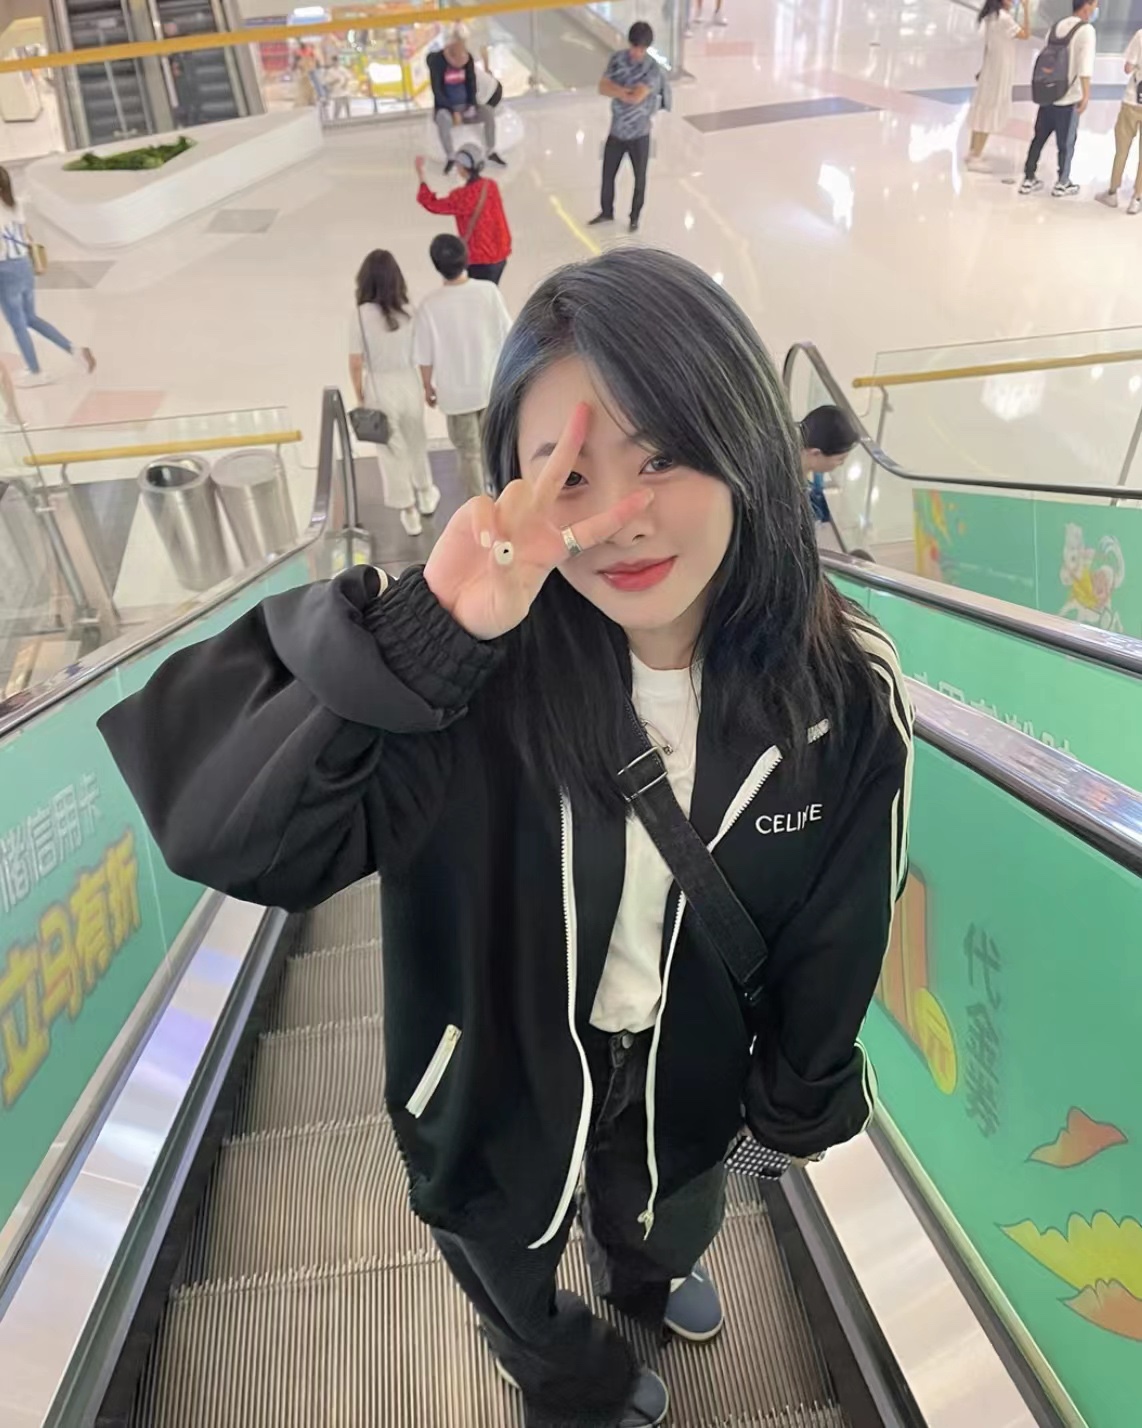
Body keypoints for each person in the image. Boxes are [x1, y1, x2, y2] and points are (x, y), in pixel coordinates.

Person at [99, 247, 912, 1428]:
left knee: (667, 1212)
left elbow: (840, 927)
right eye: (567, 473)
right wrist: (431, 636)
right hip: (489, 1078)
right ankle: (565, 1373)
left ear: (743, 443)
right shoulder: (466, 680)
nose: (624, 516)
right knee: (507, 1259)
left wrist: (790, 1106)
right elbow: (228, 831)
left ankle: (645, 1276)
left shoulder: (838, 688)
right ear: (509, 486)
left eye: (663, 456)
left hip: (688, 1065)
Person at [412, 233, 511, 498]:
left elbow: (424, 355)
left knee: (469, 453)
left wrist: (427, 386)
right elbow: (508, 335)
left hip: (455, 396)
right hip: (490, 386)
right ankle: (503, 497)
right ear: (466, 258)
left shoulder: (429, 306)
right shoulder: (488, 292)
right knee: (494, 445)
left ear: (436, 266)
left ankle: (478, 507)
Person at [349, 249, 440, 538]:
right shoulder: (410, 312)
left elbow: (356, 362)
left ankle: (409, 510)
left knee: (391, 450)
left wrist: (360, 395)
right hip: (408, 381)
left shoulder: (360, 316)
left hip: (379, 386)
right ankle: (426, 492)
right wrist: (426, 385)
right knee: (416, 441)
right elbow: (423, 353)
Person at [0, 167, 94, 387]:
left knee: (18, 324)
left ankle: (36, 372)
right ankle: (74, 350)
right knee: (30, 317)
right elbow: (26, 235)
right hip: (24, 265)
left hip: (5, 270)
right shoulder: (14, 204)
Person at [589, 22, 670, 234]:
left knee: (639, 178)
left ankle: (634, 217)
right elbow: (602, 87)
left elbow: (637, 97)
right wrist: (625, 92)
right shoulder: (617, 59)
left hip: (640, 134)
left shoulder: (652, 68)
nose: (637, 53)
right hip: (616, 131)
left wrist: (617, 90)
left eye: (641, 49)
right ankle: (606, 211)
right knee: (608, 175)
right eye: (635, 47)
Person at [1019, 0, 1097, 199]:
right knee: (1066, 143)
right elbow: (1085, 66)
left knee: (1038, 138)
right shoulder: (1086, 30)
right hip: (1068, 97)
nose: (1095, 10)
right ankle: (1062, 182)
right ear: (1086, 7)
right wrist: (1086, 95)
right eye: (1095, 5)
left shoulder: (1057, 26)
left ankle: (1029, 178)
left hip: (1048, 93)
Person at [415, 143, 512, 285]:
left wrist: (421, 174)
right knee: (491, 290)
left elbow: (431, 204)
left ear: (462, 167)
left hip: (479, 258)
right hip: (500, 253)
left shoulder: (462, 196)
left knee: (479, 292)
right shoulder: (491, 185)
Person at [427, 24, 506, 174]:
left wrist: (471, 105)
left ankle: (491, 151)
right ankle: (451, 157)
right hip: (447, 108)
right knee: (443, 119)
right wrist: (452, 111)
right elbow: (438, 91)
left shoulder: (467, 60)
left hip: (466, 107)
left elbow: (471, 85)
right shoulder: (438, 62)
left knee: (488, 112)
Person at [965, 0, 1031, 169]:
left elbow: (988, 47)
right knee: (990, 110)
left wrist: (983, 67)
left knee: (982, 108)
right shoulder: (1004, 19)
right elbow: (1025, 34)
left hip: (990, 67)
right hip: (1000, 71)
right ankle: (976, 156)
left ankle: (973, 151)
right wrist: (1026, 10)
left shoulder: (991, 17)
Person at [1095, 26, 1142, 213]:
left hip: (1132, 101)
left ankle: (1113, 192)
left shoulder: (1140, 35)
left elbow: (1127, 68)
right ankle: (1137, 199)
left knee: (1122, 150)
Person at [800, 405, 859, 552]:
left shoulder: (812, 477)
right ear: (815, 453)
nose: (842, 464)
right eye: (840, 459)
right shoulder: (786, 491)